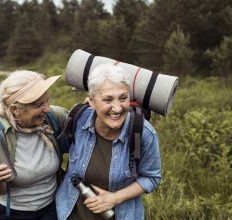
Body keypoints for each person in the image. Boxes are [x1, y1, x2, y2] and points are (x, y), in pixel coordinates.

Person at [56, 63, 162, 220]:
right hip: (68, 213)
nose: (117, 108)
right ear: (91, 101)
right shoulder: (78, 120)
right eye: (108, 99)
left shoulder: (142, 133)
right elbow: (57, 150)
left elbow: (152, 177)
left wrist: (115, 198)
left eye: (123, 98)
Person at [0, 70, 68, 220]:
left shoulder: (52, 117)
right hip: (12, 213)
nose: (46, 108)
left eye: (47, 101)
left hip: (52, 208)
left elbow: (85, 122)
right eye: (38, 104)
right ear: (15, 110)